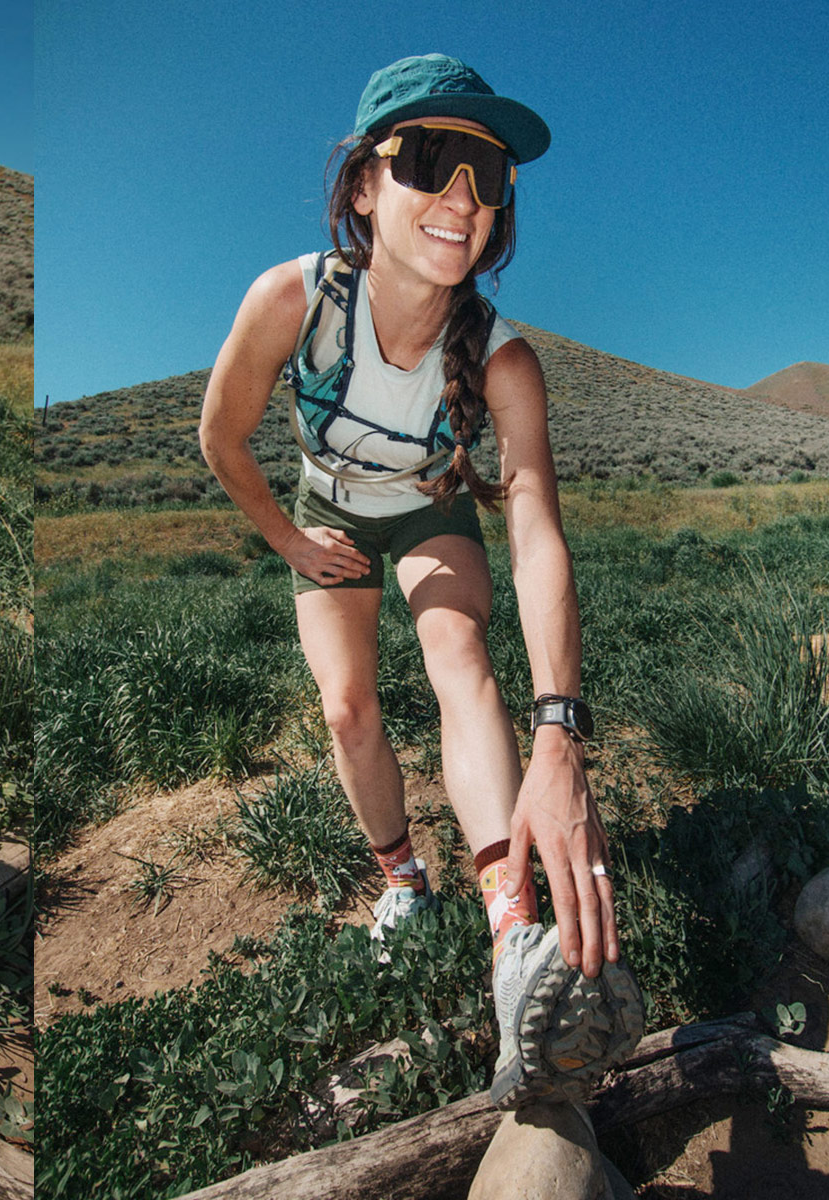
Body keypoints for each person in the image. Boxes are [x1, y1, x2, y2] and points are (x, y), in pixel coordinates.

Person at [199, 54, 642, 1108]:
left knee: (456, 650)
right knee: (348, 709)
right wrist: (290, 543)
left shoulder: (504, 359)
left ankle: (512, 935)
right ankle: (402, 877)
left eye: (490, 176)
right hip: (327, 512)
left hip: (431, 511)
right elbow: (221, 438)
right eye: (433, 159)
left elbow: (536, 536)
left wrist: (559, 732)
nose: (463, 197)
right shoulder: (293, 300)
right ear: (364, 185)